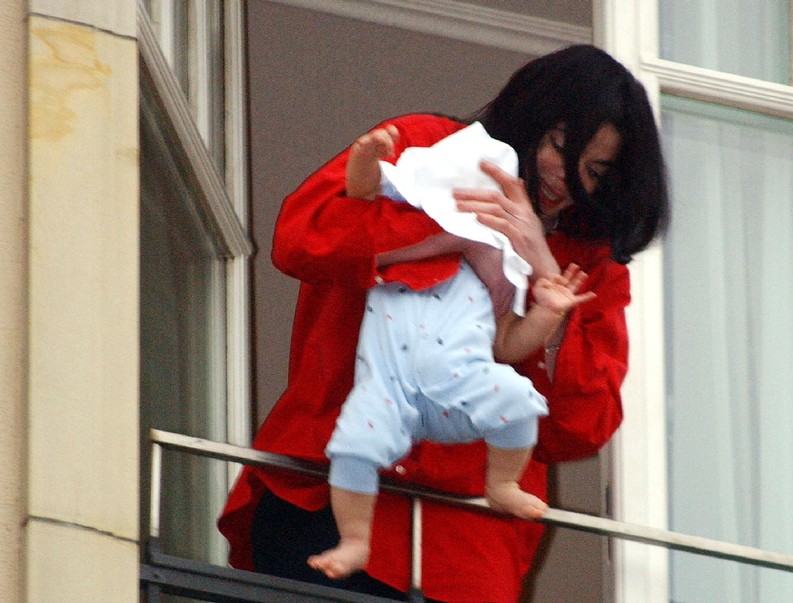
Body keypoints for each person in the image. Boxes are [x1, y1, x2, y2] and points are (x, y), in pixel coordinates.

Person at [218, 44, 669, 603]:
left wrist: (541, 267)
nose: (569, 179)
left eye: (596, 170)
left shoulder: (589, 262)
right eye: (560, 146)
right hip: (328, 492)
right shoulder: (428, 145)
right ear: (531, 114)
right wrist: (446, 234)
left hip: (465, 546)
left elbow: (579, 426)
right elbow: (301, 239)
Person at [307, 122, 596, 580]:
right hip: (387, 390)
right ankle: (356, 539)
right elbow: (362, 191)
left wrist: (547, 314)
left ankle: (501, 482)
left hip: (458, 391)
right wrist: (367, 156)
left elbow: (507, 345)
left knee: (518, 399)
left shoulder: (498, 272)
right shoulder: (401, 245)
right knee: (354, 448)